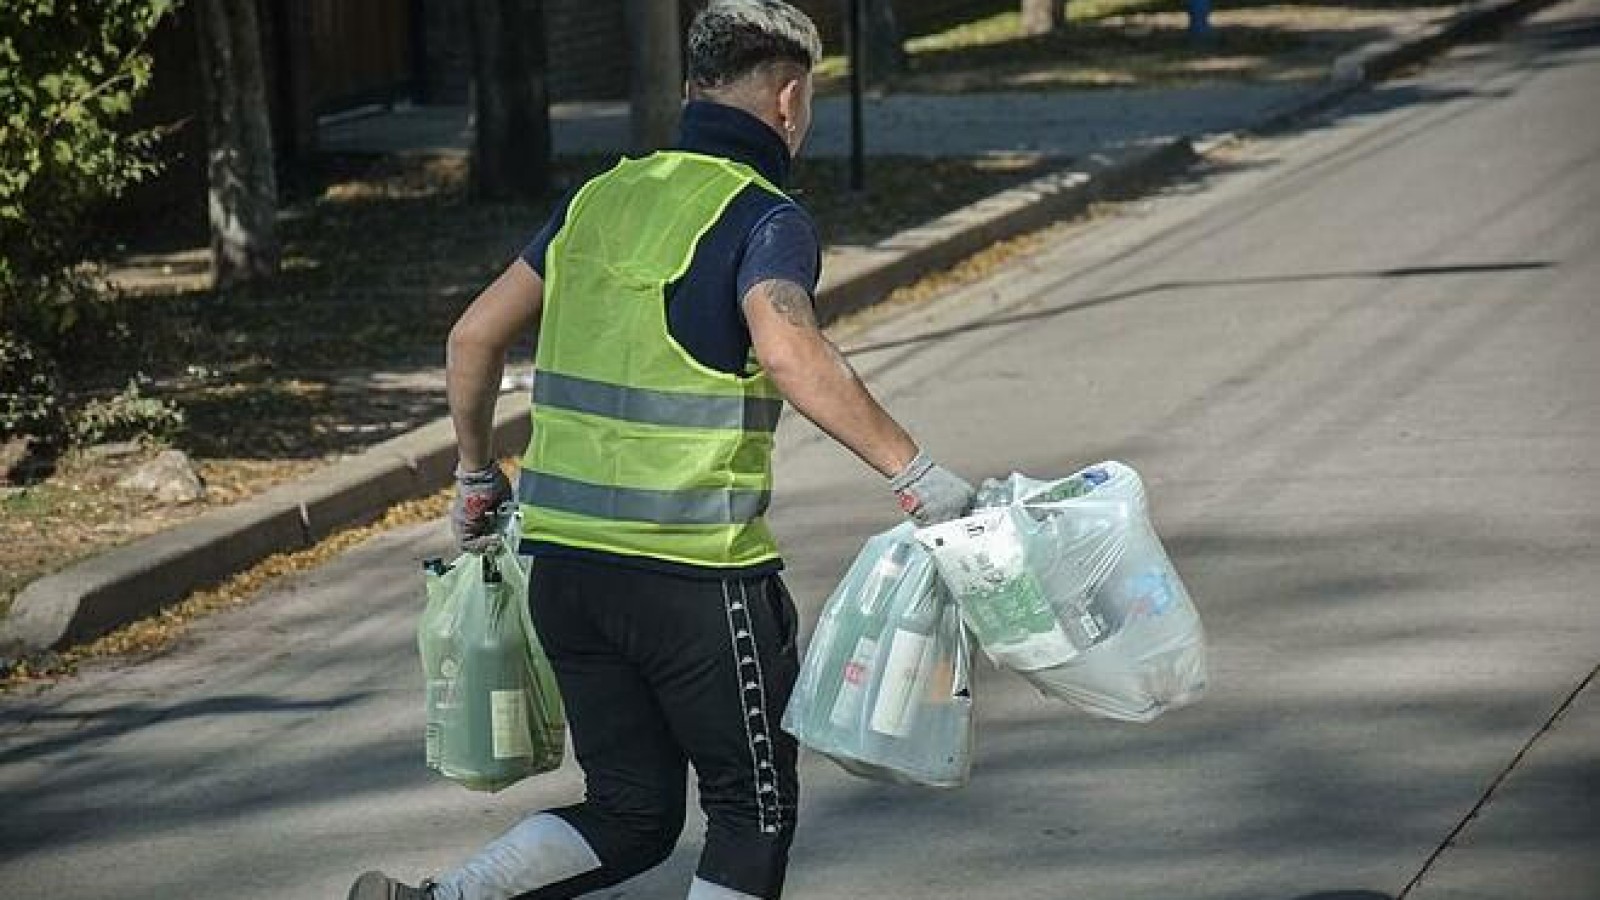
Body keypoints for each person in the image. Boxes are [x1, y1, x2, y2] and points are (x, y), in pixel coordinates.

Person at [348, 3, 974, 898]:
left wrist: (477, 476)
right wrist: (915, 474)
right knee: (749, 813)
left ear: (691, 90)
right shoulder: (766, 216)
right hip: (696, 583)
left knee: (632, 811)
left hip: (565, 570)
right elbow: (792, 350)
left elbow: (472, 338)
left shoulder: (596, 199)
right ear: (790, 100)